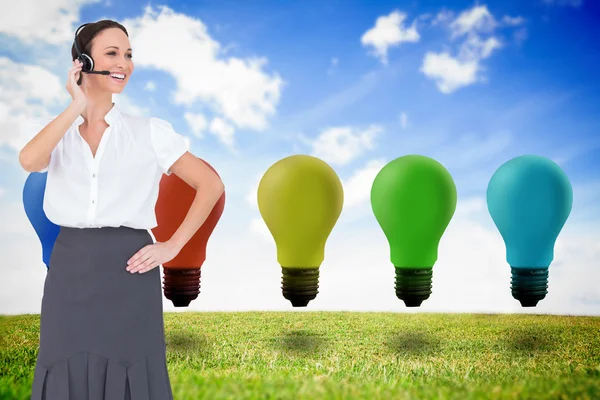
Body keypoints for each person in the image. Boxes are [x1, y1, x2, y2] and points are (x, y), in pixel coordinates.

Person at [19, 20, 225, 400]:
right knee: (64, 362)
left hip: (130, 267)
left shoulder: (149, 131)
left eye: (128, 54)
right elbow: (30, 161)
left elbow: (210, 185)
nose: (124, 64)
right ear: (81, 62)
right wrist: (76, 105)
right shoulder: (57, 130)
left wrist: (172, 246)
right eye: (112, 53)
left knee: (132, 370)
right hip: (70, 267)